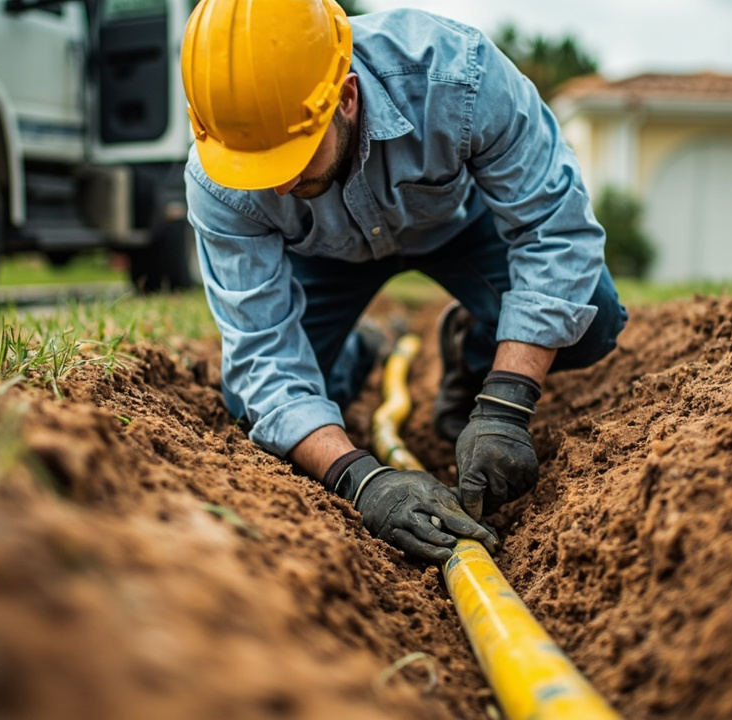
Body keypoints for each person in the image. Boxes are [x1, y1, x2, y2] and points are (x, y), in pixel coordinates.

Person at [180, 0, 628, 562]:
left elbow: (554, 228)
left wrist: (508, 402)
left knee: (591, 320)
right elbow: (263, 353)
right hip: (326, 256)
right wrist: (359, 478)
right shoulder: (217, 181)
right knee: (254, 408)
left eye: (291, 156)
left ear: (345, 97)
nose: (276, 185)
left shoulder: (456, 75)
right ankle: (353, 358)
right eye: (255, 164)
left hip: (456, 228)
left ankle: (476, 343)